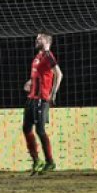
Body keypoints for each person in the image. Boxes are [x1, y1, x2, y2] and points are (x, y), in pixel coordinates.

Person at [22, 32, 63, 175]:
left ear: (46, 41)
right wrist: (30, 82)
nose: (36, 40)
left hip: (41, 98)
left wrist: (53, 93)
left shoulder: (47, 55)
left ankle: (50, 162)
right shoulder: (38, 57)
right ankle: (36, 161)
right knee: (26, 129)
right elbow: (38, 75)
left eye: (39, 39)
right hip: (31, 98)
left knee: (40, 130)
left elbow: (59, 73)